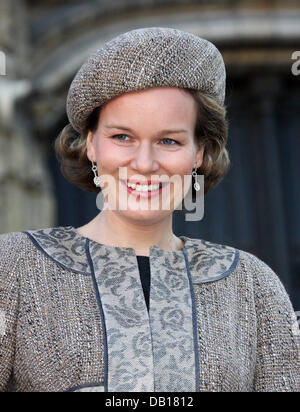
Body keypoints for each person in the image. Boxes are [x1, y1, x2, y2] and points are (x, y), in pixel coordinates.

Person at [0, 27, 299, 393]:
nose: (144, 163)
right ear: (91, 144)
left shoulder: (252, 286)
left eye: (168, 140)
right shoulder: (13, 267)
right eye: (122, 137)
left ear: (199, 152)